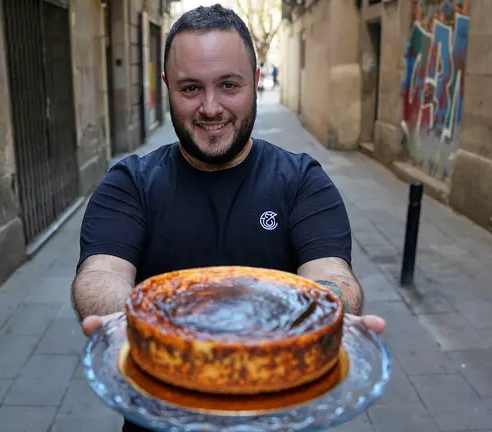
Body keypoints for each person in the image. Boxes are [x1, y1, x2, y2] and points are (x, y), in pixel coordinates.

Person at [71, 5, 386, 432]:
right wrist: (146, 326)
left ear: (255, 82)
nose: (211, 107)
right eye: (189, 89)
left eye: (229, 85)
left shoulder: (302, 181)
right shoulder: (130, 183)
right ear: (166, 87)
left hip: (278, 415)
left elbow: (333, 274)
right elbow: (101, 272)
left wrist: (330, 311)